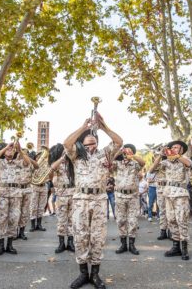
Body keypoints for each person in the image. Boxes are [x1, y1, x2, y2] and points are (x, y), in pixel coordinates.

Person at [63, 113, 122, 289]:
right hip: (81, 199)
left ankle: (95, 274)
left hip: (99, 199)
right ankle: (83, 273)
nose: (90, 146)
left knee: (97, 237)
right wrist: (83, 127)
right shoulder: (76, 156)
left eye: (93, 142)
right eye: (87, 143)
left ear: (97, 142)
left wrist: (103, 127)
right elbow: (67, 143)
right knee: (80, 236)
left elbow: (119, 142)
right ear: (82, 144)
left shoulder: (105, 154)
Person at [0, 140, 37, 256]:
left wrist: (20, 150)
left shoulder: (19, 162)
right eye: (8, 149)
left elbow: (28, 163)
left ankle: (10, 245)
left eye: (12, 149)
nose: (10, 150)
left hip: (16, 194)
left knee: (14, 219)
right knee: (1, 219)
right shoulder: (1, 162)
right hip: (3, 193)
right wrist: (6, 146)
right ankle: (1, 245)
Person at [150, 140, 192, 261]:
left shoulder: (185, 159)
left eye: (177, 147)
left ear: (181, 150)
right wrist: (160, 155)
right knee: (171, 220)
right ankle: (176, 246)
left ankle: (184, 248)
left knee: (181, 220)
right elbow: (152, 170)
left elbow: (189, 164)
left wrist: (177, 155)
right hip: (168, 194)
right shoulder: (166, 162)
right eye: (172, 147)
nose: (174, 149)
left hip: (180, 194)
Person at [110, 144, 145, 255]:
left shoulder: (135, 164)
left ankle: (132, 245)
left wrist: (132, 156)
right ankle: (123, 244)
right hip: (120, 196)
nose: (126, 153)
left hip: (133, 196)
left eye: (129, 151)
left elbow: (143, 163)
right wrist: (118, 152)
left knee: (132, 221)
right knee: (120, 220)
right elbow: (110, 163)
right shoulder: (117, 163)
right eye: (125, 151)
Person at [50, 143, 75, 254]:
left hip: (73, 193)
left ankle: (70, 242)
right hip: (61, 194)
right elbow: (52, 168)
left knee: (72, 220)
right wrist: (61, 158)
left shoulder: (73, 164)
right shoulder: (58, 163)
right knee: (61, 219)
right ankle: (61, 243)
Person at [29, 147, 48, 231]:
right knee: (33, 206)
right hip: (35, 187)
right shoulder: (32, 165)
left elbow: (48, 176)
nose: (40, 158)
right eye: (38, 156)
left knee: (41, 206)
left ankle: (39, 224)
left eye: (41, 156)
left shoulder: (46, 165)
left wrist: (46, 178)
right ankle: (33, 225)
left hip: (43, 186)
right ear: (36, 158)